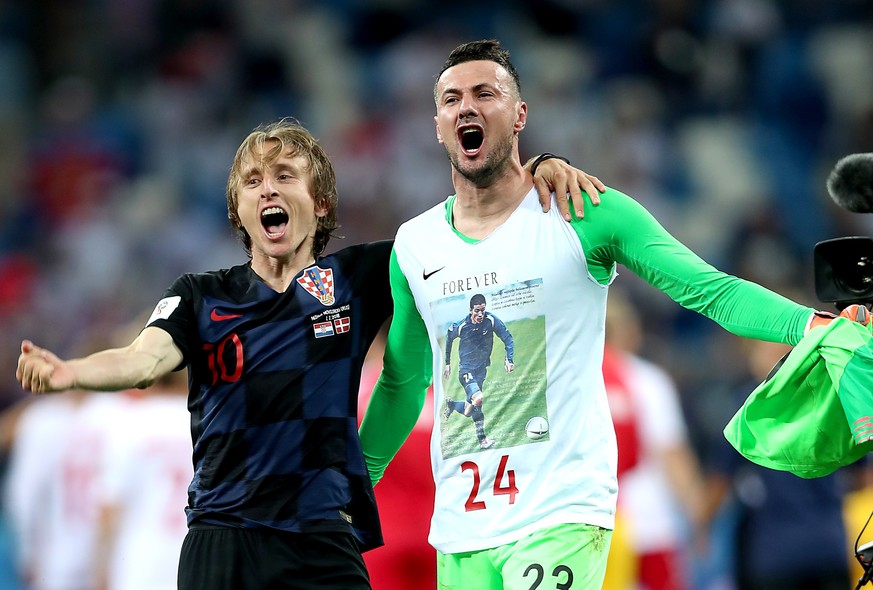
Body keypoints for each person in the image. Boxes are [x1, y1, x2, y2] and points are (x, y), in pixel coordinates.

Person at [357, 39, 865, 590]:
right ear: (437, 124)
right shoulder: (414, 244)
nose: (468, 107)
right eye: (452, 99)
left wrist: (810, 325)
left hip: (560, 514)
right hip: (460, 531)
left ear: (520, 113)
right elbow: (404, 382)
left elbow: (709, 290)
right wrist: (352, 487)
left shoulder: (584, 212)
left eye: (486, 93)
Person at [15, 117, 604, 590]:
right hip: (223, 540)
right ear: (239, 212)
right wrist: (73, 374)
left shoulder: (363, 274)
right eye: (252, 181)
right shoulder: (199, 297)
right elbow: (140, 360)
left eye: (285, 176)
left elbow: (471, 224)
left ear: (320, 203)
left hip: (322, 537)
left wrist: (539, 166)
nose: (267, 188)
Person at [442, 293, 515, 450]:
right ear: (470, 310)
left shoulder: (491, 320)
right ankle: (483, 441)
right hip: (466, 370)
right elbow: (449, 338)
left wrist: (509, 359)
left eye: (482, 310)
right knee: (479, 398)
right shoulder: (461, 326)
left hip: (481, 371)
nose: (480, 314)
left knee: (469, 410)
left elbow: (508, 338)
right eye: (477, 310)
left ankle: (452, 405)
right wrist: (447, 363)